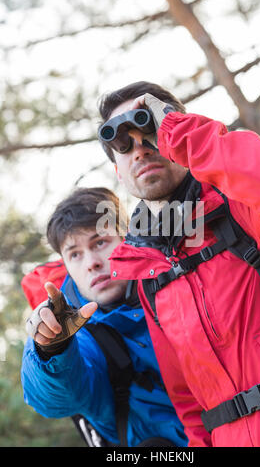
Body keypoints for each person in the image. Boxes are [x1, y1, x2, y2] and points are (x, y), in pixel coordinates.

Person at [97, 81, 260, 447]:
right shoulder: (148, 272)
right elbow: (191, 405)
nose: (140, 149)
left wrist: (182, 132)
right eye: (123, 144)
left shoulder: (244, 209)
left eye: (149, 131)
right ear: (118, 172)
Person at [21, 187, 188, 448]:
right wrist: (51, 348)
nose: (91, 262)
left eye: (100, 242)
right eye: (75, 254)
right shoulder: (78, 333)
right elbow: (55, 401)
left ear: (127, 240)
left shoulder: (181, 284)